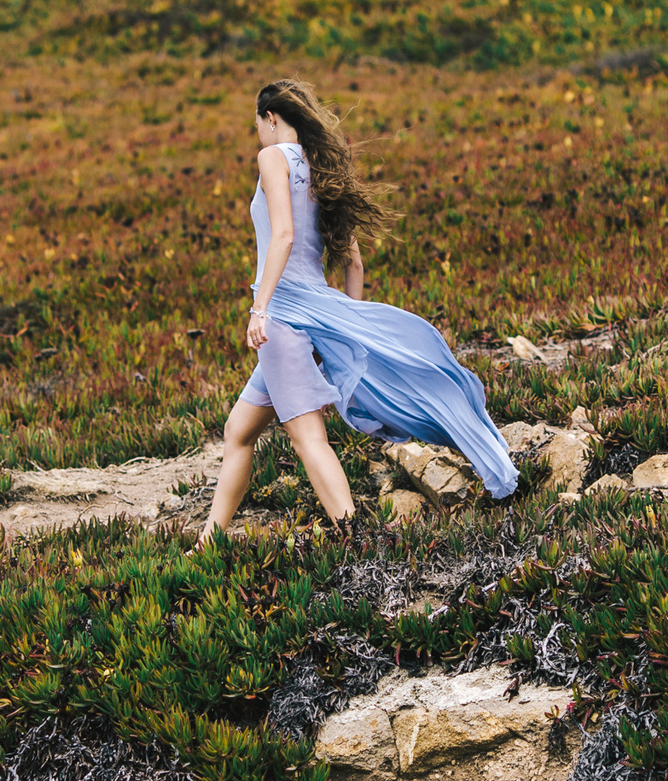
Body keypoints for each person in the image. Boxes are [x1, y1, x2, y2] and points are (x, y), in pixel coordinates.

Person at [197, 79, 518, 545]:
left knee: (307, 438)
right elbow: (355, 263)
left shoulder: (272, 158)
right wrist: (345, 325)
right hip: (318, 314)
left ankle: (354, 540)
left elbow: (283, 236)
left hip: (284, 317)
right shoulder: (322, 168)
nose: (259, 135)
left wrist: (259, 308)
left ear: (270, 118)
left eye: (257, 125)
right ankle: (207, 544)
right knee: (238, 431)